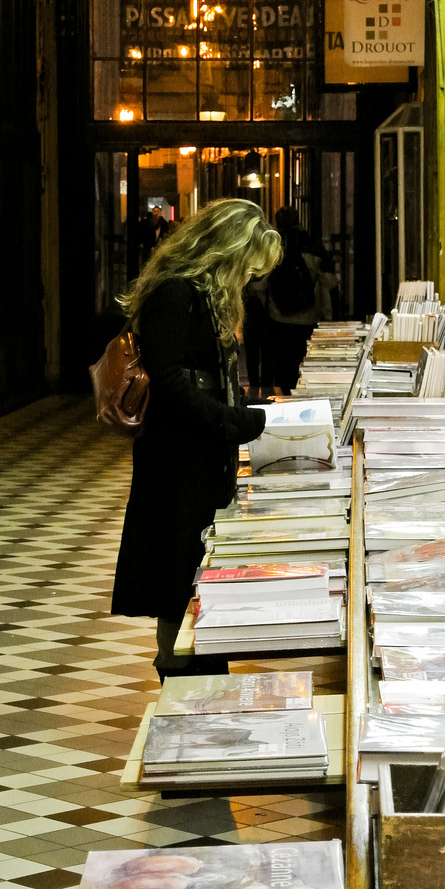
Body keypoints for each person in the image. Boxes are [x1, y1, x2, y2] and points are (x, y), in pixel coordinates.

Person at [111, 199, 282, 680]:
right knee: (177, 565)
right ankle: (177, 667)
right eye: (248, 269)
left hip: (200, 453)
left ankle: (197, 661)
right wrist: (232, 421)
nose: (249, 280)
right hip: (176, 459)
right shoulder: (175, 293)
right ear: (226, 252)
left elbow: (210, 374)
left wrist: (239, 411)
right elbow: (170, 383)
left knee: (193, 563)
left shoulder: (205, 295)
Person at [266, 206, 337, 394]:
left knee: (283, 363)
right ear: (299, 220)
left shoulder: (272, 246)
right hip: (309, 316)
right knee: (303, 361)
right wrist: (327, 316)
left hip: (278, 316)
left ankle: (283, 396)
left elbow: (259, 284)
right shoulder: (313, 244)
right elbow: (328, 282)